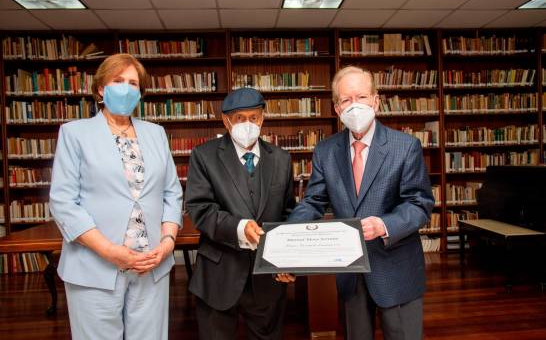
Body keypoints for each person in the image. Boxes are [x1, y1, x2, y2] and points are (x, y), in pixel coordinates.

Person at [289, 66, 434, 340]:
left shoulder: (406, 147)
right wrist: (285, 239)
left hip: (396, 269)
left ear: (376, 100)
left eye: (362, 97)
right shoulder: (325, 151)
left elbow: (420, 203)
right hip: (350, 270)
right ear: (336, 108)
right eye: (346, 100)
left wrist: (384, 224)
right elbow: (313, 202)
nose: (354, 106)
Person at [49, 53, 183, 340]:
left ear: (140, 92)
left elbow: (172, 192)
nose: (126, 88)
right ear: (100, 88)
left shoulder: (156, 133)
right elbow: (63, 202)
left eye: (133, 83)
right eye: (118, 80)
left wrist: (168, 241)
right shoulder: (75, 134)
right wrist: (110, 252)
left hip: (151, 264)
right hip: (95, 265)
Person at [185, 87, 296, 340]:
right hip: (218, 276)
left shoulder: (281, 158)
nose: (248, 124)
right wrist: (239, 228)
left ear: (263, 118)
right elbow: (200, 209)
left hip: (267, 278)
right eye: (239, 118)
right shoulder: (204, 156)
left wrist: (290, 259)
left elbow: (288, 212)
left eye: (253, 117)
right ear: (226, 120)